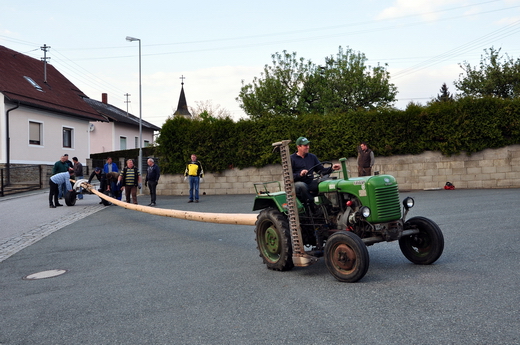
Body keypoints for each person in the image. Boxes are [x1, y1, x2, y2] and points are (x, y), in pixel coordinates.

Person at [291, 136, 340, 207]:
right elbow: (288, 176)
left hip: (310, 182)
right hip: (296, 184)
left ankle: (329, 205)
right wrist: (300, 174)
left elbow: (321, 170)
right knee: (302, 186)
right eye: (305, 145)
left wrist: (332, 168)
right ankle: (313, 205)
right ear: (298, 147)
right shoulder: (291, 159)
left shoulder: (312, 157)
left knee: (326, 181)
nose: (307, 147)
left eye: (308, 145)